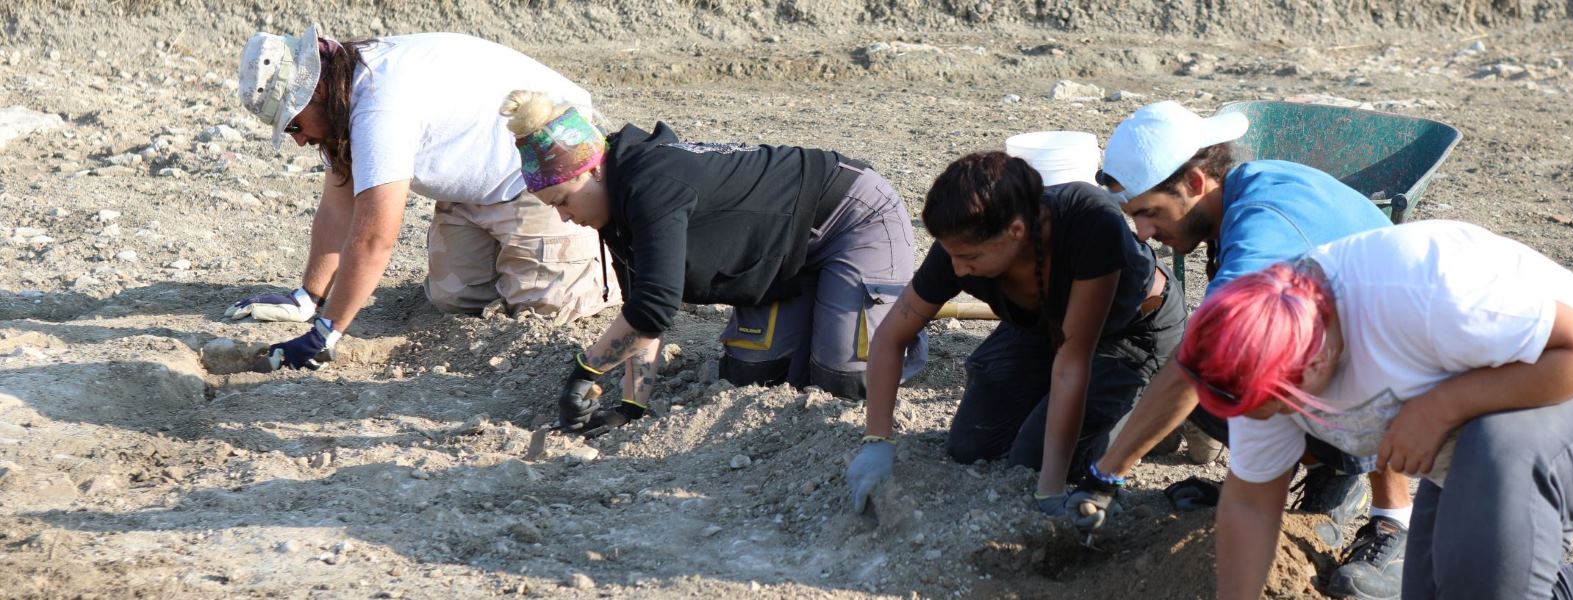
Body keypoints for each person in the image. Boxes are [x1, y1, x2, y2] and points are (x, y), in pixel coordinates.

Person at [1169, 220, 1573, 600]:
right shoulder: (1252, 348)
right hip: (1482, 457)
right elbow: (1250, 501)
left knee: (1496, 462)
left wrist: (1444, 405)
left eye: (1276, 403)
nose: (1265, 417)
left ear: (1312, 357)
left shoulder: (1418, 287)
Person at [1085, 100, 1407, 598]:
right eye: (1134, 217)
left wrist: (1107, 475)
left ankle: (1393, 523)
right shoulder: (1243, 187)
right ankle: (1323, 481)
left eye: (1149, 212)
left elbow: (1201, 357)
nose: (1144, 233)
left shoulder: (1262, 225)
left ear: (1194, 182)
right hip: (1343, 346)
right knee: (1219, 390)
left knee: (1203, 369)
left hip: (1408, 361)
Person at [496, 91, 925, 430]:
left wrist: (585, 370)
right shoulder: (613, 207)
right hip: (781, 254)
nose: (564, 217)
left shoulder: (650, 186)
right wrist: (630, 407)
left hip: (853, 215)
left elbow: (653, 308)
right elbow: (643, 316)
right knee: (753, 376)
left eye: (564, 201)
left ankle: (883, 313)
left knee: (845, 378)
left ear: (593, 170)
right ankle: (825, 304)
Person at [226, 25, 616, 370]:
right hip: (473, 179)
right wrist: (308, 298)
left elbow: (374, 239)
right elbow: (337, 204)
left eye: (294, 123)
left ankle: (613, 261)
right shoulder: (344, 92)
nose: (298, 138)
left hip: (542, 169)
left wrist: (325, 333)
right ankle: (517, 252)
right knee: (455, 297)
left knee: (544, 306)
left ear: (319, 88)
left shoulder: (380, 106)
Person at [845, 152, 1184, 514]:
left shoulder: (1090, 223)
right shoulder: (961, 244)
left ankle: (1165, 416)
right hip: (1044, 328)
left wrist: (1050, 492)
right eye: (951, 254)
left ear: (1016, 232)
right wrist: (877, 440)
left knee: (1035, 461)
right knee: (971, 444)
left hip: (1129, 333)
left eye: (969, 257)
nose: (957, 268)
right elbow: (894, 334)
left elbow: (1072, 363)